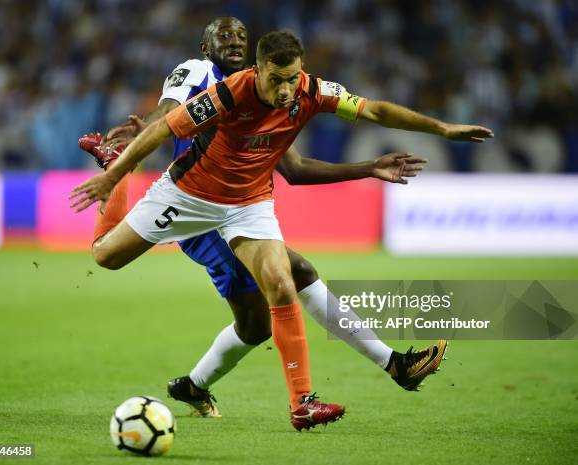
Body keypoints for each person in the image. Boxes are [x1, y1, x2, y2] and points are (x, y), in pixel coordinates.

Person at [71, 28, 492, 430]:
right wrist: (115, 175)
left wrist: (441, 128)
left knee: (283, 282)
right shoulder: (229, 93)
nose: (286, 90)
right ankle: (116, 174)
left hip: (248, 205)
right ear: (258, 72)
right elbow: (165, 125)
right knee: (105, 256)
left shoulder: (313, 90)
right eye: (276, 80)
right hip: (187, 197)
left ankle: (302, 404)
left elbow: (374, 110)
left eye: (292, 79)